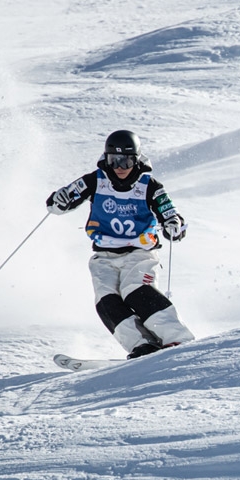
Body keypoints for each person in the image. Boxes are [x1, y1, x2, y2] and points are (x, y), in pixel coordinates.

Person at [47, 130, 193, 358]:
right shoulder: (95, 180)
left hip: (139, 253)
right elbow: (57, 205)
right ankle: (142, 344)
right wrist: (59, 200)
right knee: (106, 300)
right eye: (113, 160)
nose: (119, 167)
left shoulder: (149, 185)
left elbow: (170, 212)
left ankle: (177, 337)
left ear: (136, 159)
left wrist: (173, 224)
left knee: (135, 290)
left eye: (126, 160)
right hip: (104, 256)